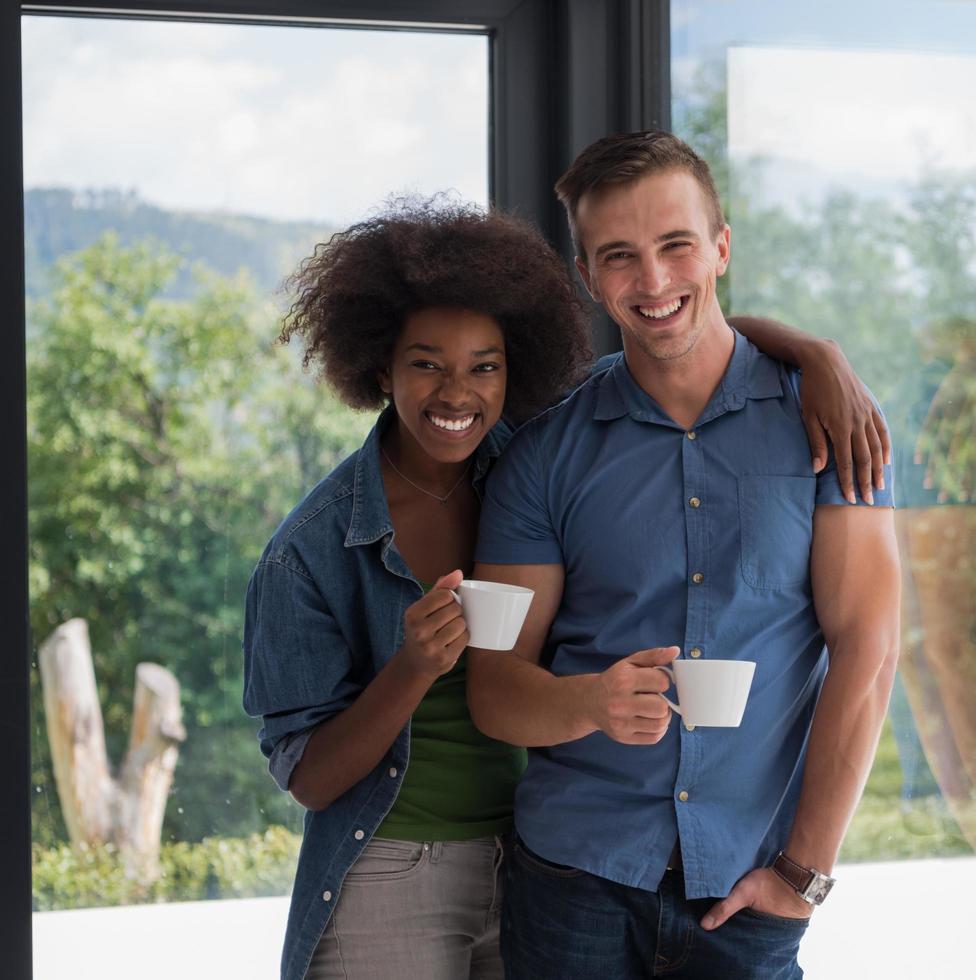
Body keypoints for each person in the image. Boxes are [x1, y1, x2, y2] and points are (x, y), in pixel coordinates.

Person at [241, 196, 892, 980]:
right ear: (379, 366)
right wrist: (413, 666)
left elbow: (672, 335)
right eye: (425, 365)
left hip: (529, 857)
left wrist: (814, 353)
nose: (456, 394)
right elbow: (309, 778)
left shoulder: (527, 457)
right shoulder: (310, 552)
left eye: (483, 366)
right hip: (396, 860)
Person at [467, 132, 903, 979]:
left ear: (721, 248)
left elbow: (870, 651)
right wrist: (588, 702)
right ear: (589, 277)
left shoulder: (828, 423)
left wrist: (801, 876)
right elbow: (495, 690)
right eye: (620, 257)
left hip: (751, 884)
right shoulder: (541, 458)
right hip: (573, 884)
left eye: (675, 246)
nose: (655, 281)